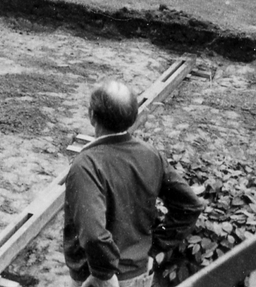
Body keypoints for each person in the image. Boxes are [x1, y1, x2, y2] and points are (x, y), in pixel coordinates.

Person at [64, 80, 204, 287]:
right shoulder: (150, 154)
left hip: (97, 278)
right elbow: (190, 205)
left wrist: (103, 274)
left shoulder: (86, 165)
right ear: (133, 116)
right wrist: (154, 248)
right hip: (138, 274)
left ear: (91, 115)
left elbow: (93, 234)